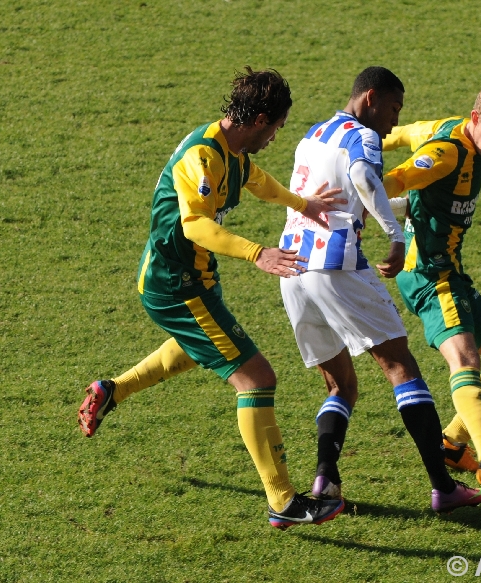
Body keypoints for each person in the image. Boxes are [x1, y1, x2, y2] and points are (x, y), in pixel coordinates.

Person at [77, 67, 347, 529]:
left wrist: (304, 204)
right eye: (277, 127)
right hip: (174, 285)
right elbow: (195, 225)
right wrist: (256, 252)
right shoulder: (202, 158)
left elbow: (255, 179)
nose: (275, 137)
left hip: (193, 279)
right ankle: (283, 503)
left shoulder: (231, 149)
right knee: (256, 379)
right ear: (260, 118)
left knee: (200, 347)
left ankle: (111, 390)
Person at [278, 66, 481, 513]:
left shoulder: (314, 133)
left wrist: (392, 205)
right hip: (337, 267)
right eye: (393, 109)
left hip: (293, 271)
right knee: (401, 367)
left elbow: (336, 191)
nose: (394, 122)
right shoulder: (363, 136)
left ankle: (325, 482)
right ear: (370, 98)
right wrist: (395, 235)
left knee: (341, 386)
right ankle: (443, 487)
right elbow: (364, 179)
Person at [381, 81, 481, 488]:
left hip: (452, 273)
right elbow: (398, 179)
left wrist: (370, 141)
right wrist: (360, 175)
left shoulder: (447, 128)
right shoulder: (445, 153)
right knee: (465, 363)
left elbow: (401, 133)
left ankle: (451, 442)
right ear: (476, 118)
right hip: (430, 277)